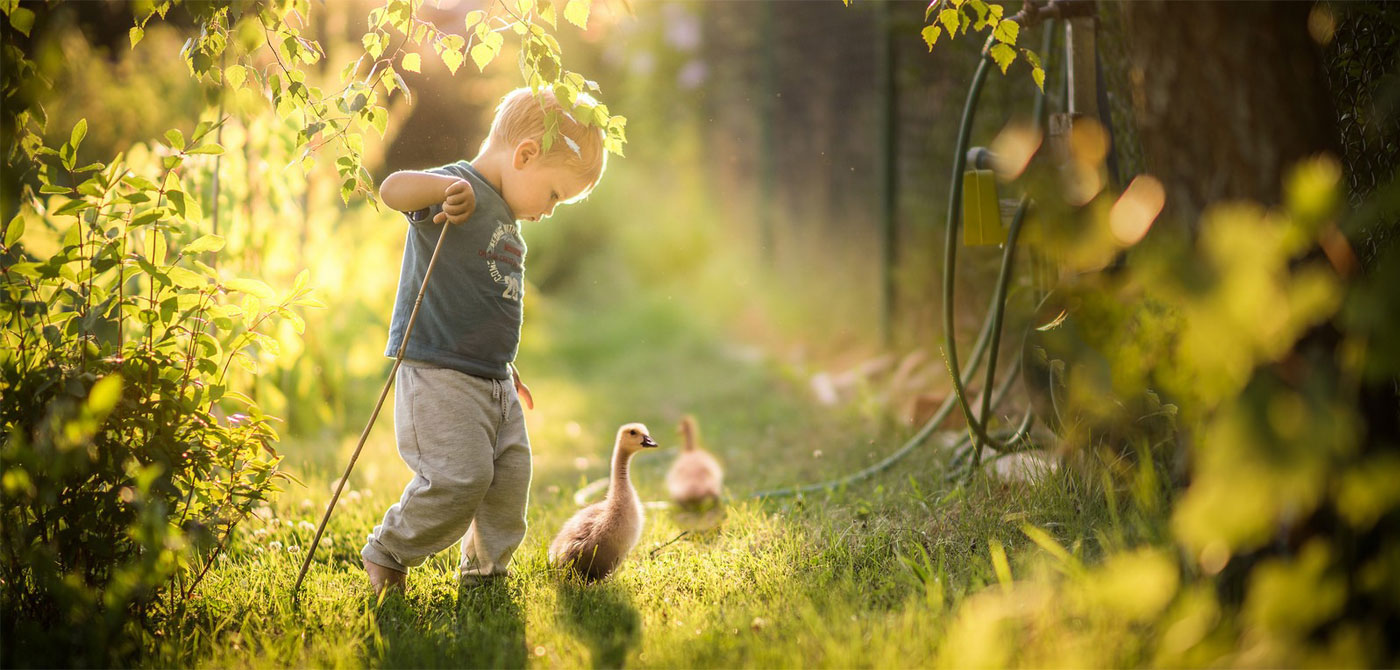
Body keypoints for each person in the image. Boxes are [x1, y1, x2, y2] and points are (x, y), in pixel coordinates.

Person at [361, 87, 607, 593]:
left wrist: (505, 363)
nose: (551, 210)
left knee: (510, 480)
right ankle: (389, 551)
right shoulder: (457, 187)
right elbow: (391, 189)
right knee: (460, 478)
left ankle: (486, 574)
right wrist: (439, 189)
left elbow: (487, 300)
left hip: (492, 377)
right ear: (525, 155)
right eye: (556, 194)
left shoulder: (509, 220)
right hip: (439, 370)